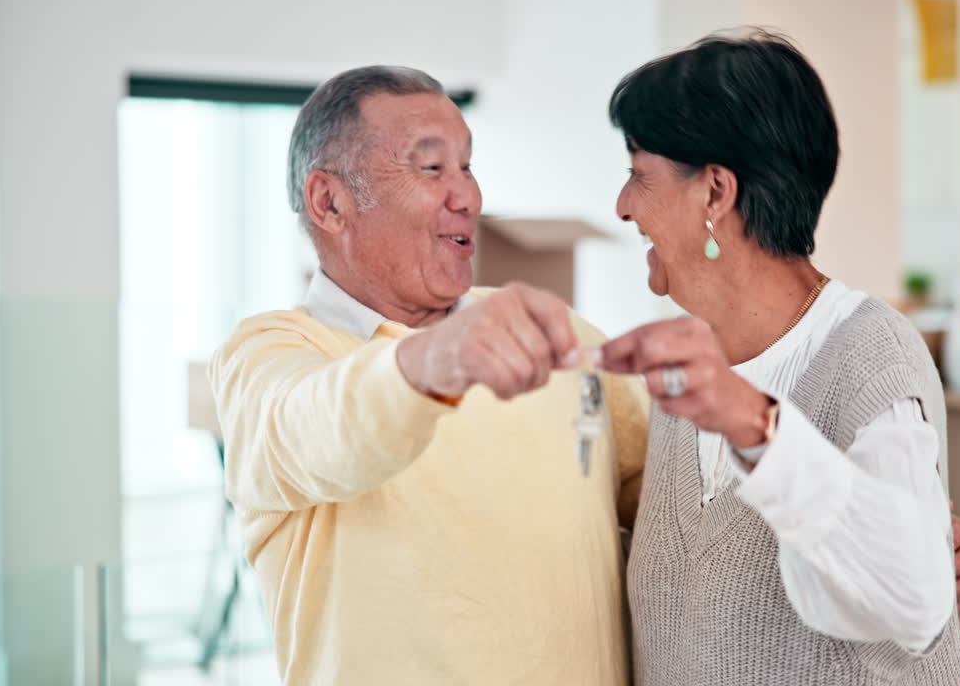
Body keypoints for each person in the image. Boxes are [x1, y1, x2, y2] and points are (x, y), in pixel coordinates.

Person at [208, 66, 649, 684]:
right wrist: (435, 356)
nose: (467, 196)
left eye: (467, 166)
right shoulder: (270, 352)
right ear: (329, 202)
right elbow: (316, 425)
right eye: (432, 167)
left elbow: (675, 501)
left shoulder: (557, 336)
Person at [598, 29, 960, 684]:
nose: (623, 206)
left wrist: (755, 424)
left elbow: (913, 598)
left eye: (638, 175)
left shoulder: (869, 353)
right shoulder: (687, 370)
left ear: (716, 192)